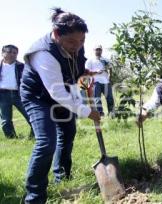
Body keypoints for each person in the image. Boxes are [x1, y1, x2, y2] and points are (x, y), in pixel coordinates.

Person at [20, 8, 101, 203]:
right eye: (72, 42)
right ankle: (34, 196)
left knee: (67, 133)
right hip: (38, 97)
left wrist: (81, 93)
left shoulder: (76, 45)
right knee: (46, 142)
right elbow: (56, 92)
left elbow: (72, 78)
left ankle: (62, 178)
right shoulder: (43, 53)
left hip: (63, 93)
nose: (78, 46)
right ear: (57, 34)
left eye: (81, 41)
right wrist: (86, 111)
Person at [0, 45, 33, 139]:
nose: (12, 54)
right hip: (3, 95)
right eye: (9, 52)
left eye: (14, 53)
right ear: (3, 53)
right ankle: (11, 138)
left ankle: (34, 136)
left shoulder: (22, 66)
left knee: (30, 116)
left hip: (19, 95)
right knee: (6, 120)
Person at [85, 45, 115, 117]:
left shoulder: (105, 60)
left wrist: (110, 76)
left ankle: (111, 113)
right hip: (95, 81)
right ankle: (100, 113)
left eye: (99, 50)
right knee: (97, 99)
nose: (98, 51)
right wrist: (96, 72)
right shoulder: (90, 60)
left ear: (102, 50)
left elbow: (110, 67)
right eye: (97, 49)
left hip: (106, 81)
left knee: (110, 98)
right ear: (94, 50)